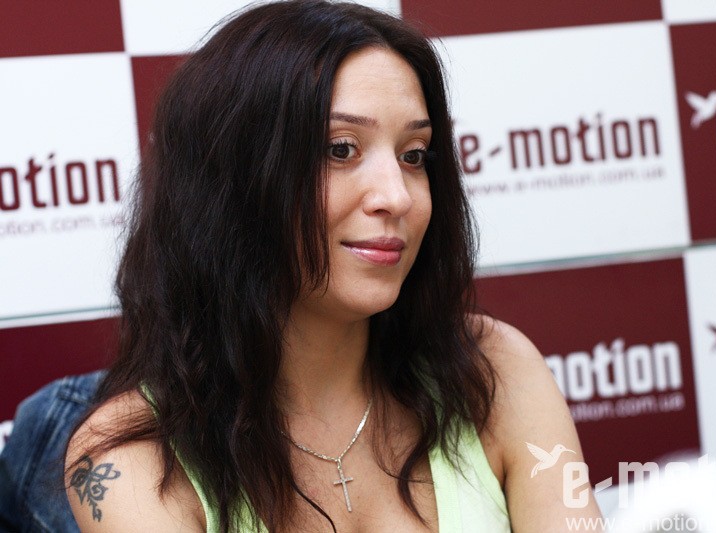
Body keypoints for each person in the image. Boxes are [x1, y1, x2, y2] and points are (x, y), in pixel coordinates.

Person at [65, 1, 602, 531]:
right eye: (341, 150)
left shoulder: (495, 369)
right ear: (233, 181)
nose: (397, 196)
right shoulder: (126, 459)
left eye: (414, 155)